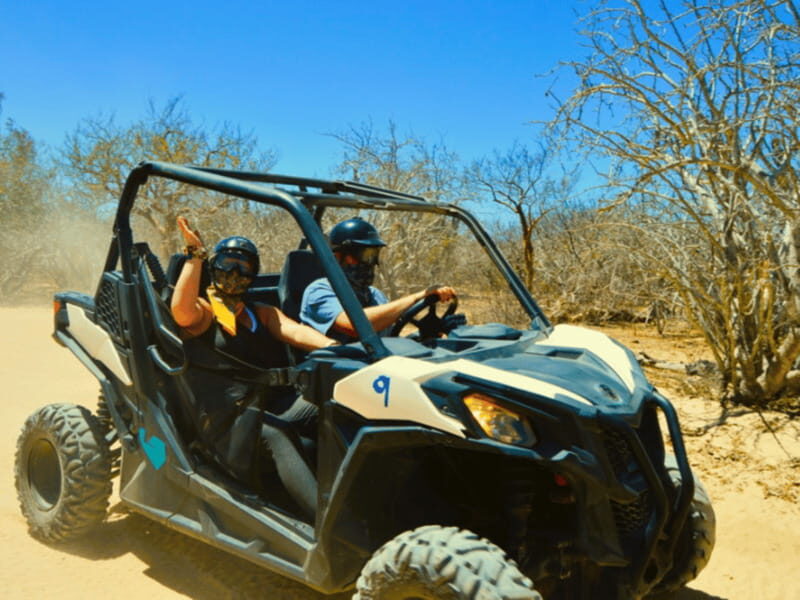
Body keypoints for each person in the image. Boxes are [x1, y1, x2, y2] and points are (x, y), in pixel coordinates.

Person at [171, 216, 335, 519]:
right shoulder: (205, 313)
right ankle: (325, 523)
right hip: (226, 418)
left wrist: (335, 348)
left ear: (253, 274)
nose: (234, 273)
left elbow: (297, 332)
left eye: (244, 267)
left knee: (335, 405)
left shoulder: (262, 312)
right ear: (214, 265)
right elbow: (181, 312)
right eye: (227, 263)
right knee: (276, 435)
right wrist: (194, 256)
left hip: (268, 405)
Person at [300, 217, 459, 343]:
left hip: (373, 371)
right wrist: (416, 297)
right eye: (364, 255)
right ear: (337, 257)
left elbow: (389, 339)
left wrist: (424, 334)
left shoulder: (375, 295)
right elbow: (355, 326)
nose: (369, 262)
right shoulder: (319, 290)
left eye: (373, 255)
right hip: (334, 375)